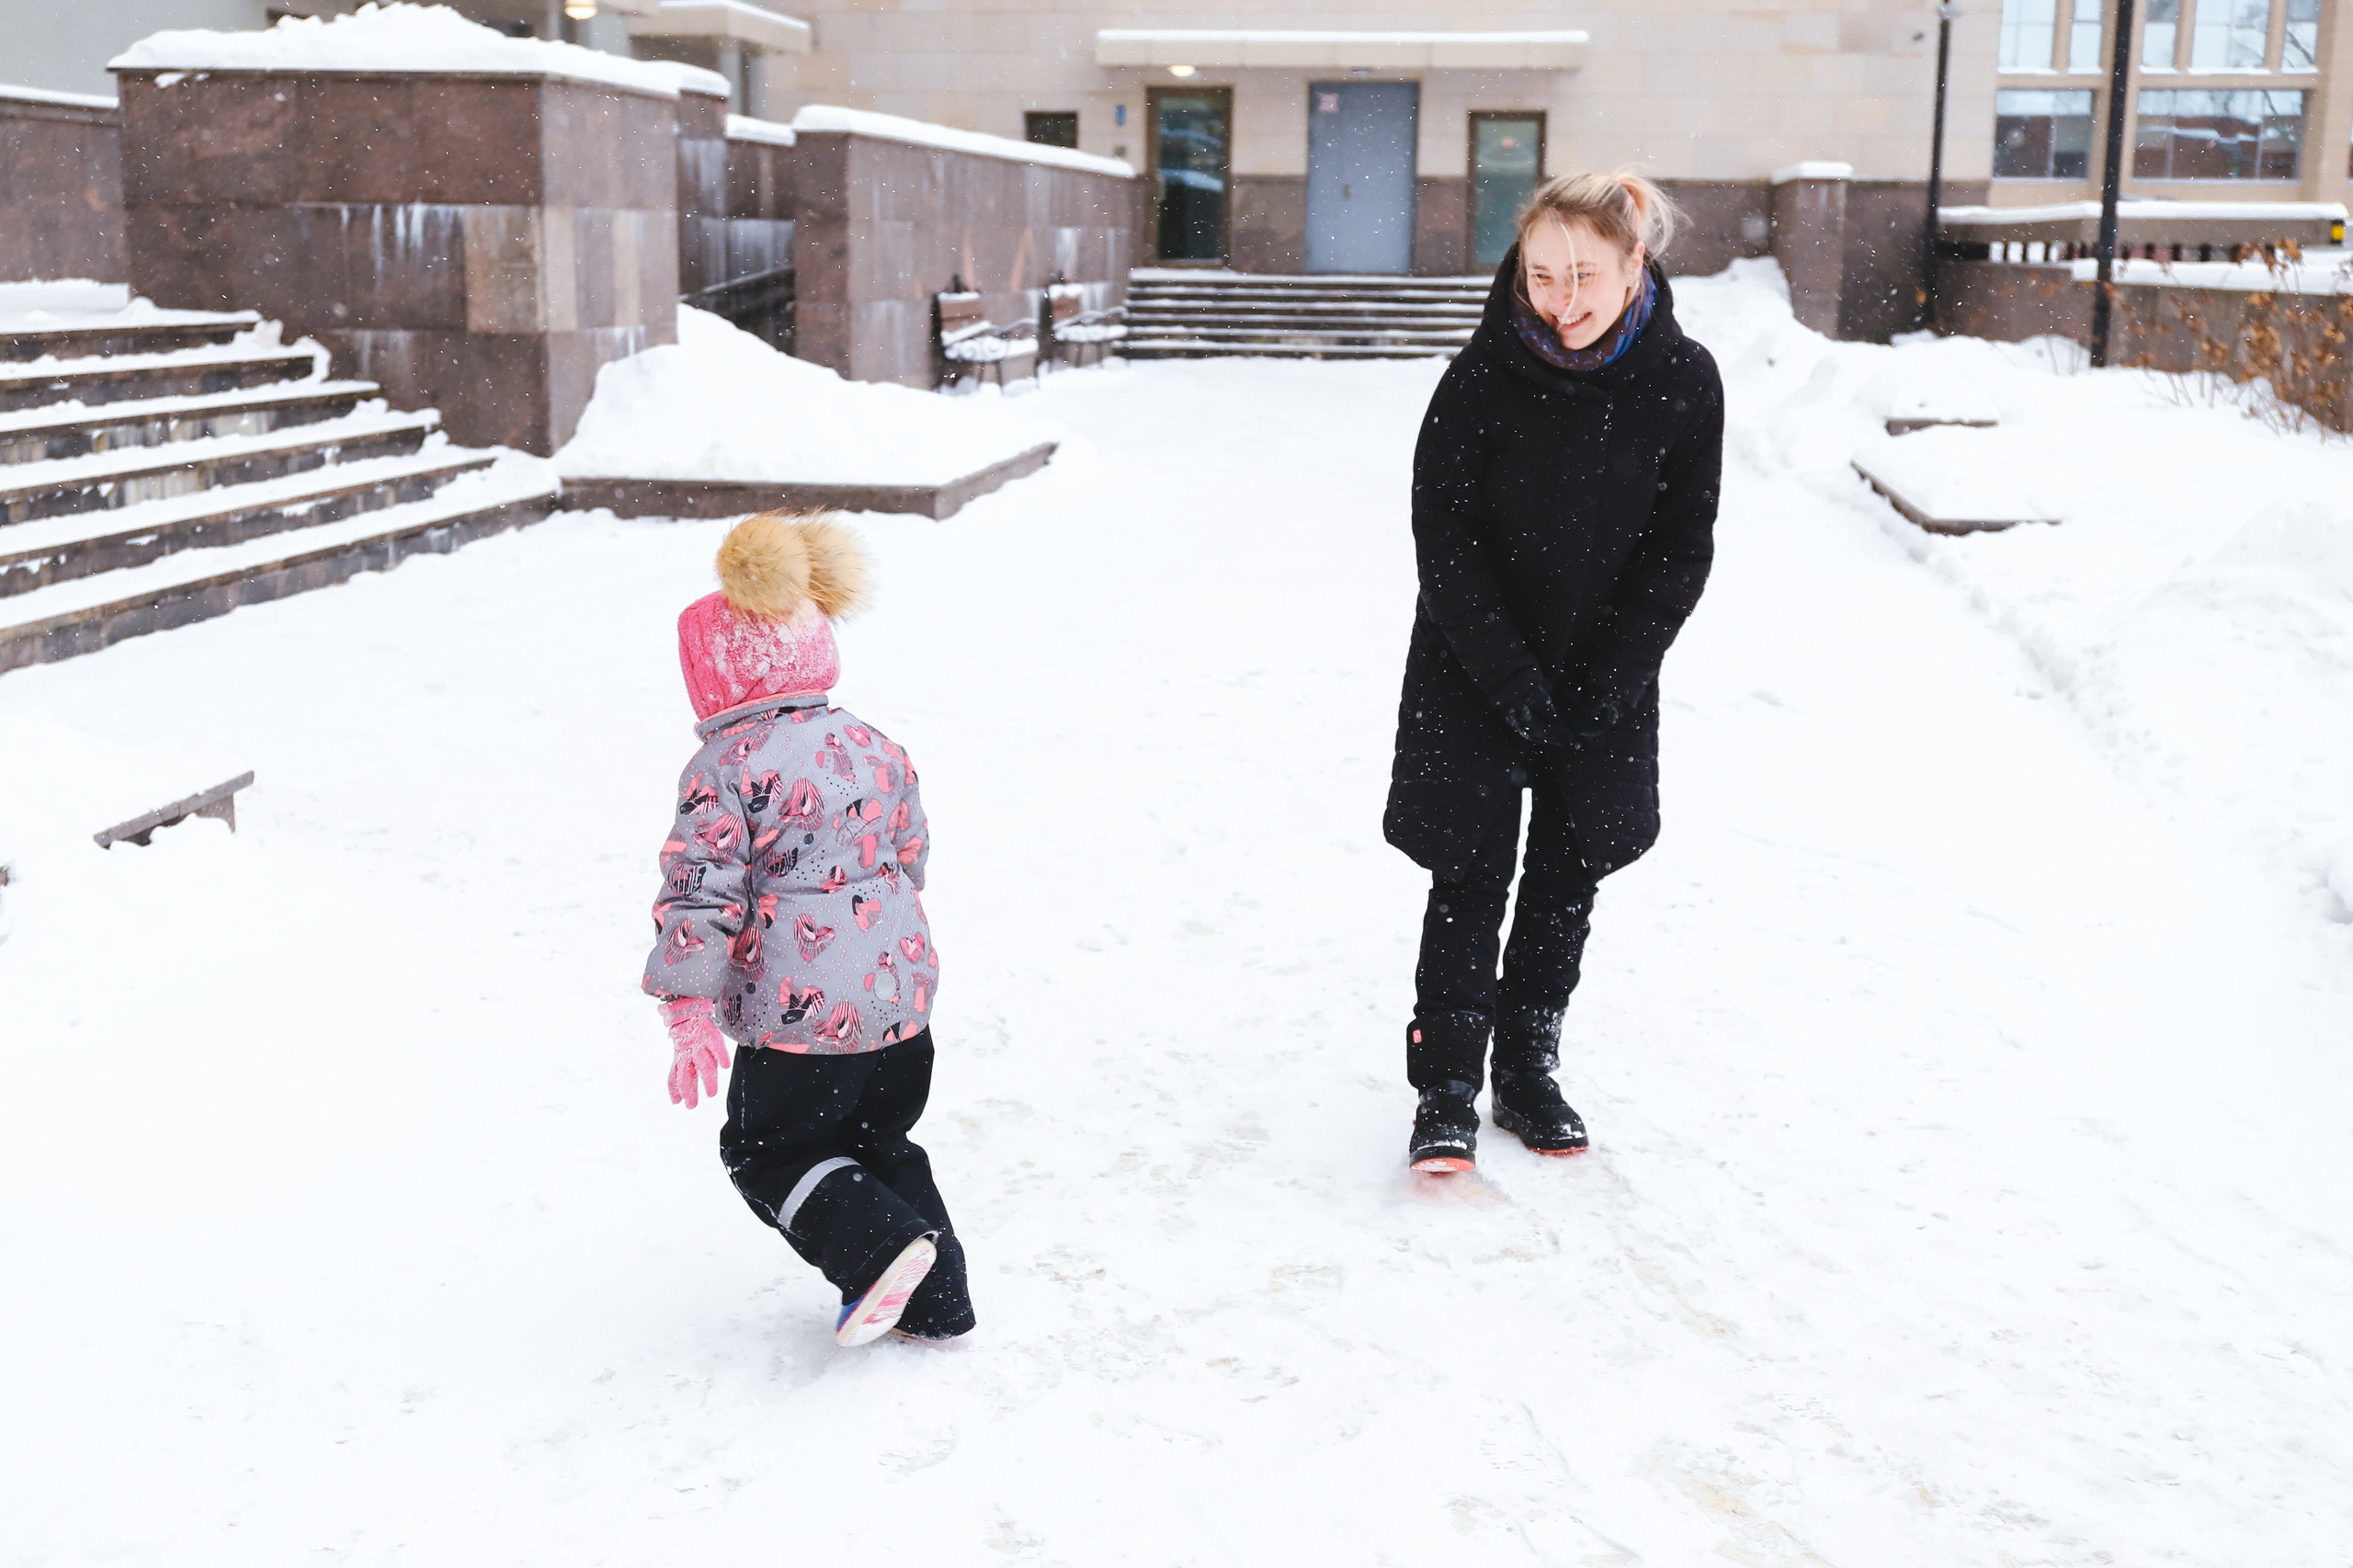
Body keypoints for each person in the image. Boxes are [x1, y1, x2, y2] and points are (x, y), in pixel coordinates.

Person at [1386, 171, 1724, 1174]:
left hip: (1603, 680)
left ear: (1634, 269)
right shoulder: (1480, 376)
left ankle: (1527, 1068)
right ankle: (1445, 1085)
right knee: (1466, 872)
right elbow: (1442, 535)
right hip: (1471, 666)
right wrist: (1508, 674)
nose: (1560, 299)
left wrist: (1606, 679)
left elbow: (1678, 548)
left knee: (1566, 874)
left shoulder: (1683, 380)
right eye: (1541, 274)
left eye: (1583, 274)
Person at [644, 512, 973, 1345]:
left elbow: (700, 895)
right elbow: (911, 854)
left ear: (713, 676)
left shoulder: (725, 767)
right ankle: (937, 1303)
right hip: (899, 1007)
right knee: (881, 1141)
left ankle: (883, 1249)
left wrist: (687, 1006)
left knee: (770, 1155)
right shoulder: (871, 743)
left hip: (799, 1025)